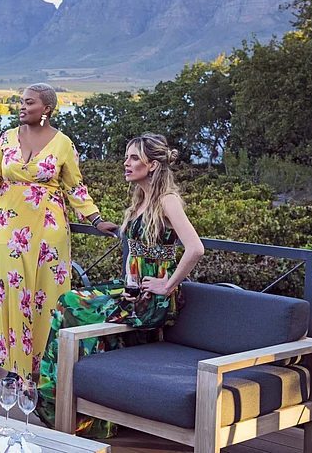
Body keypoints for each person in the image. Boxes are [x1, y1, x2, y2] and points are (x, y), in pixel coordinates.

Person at [35, 133, 205, 438]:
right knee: (68, 303)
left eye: (134, 158)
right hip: (131, 290)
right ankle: (63, 404)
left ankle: (59, 405)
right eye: (126, 157)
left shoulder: (167, 201)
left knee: (71, 305)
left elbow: (195, 248)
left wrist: (168, 285)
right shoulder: (141, 200)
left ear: (153, 165)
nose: (126, 163)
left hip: (151, 299)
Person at [0, 83, 118, 381]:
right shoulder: (7, 137)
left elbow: (75, 187)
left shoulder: (63, 143)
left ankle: (43, 372)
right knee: (8, 293)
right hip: (6, 227)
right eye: (21, 102)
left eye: (29, 102)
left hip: (47, 229)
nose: (22, 107)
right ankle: (11, 368)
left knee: (45, 297)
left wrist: (95, 219)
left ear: (46, 109)